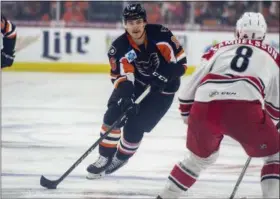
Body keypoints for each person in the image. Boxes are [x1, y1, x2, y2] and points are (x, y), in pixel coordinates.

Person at [157, 12, 279, 199]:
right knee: (274, 155)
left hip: (205, 105)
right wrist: (269, 125)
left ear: (238, 32)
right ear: (263, 35)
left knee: (197, 160)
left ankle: (165, 197)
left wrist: (188, 116)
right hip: (245, 109)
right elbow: (275, 108)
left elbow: (188, 89)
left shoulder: (218, 49)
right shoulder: (273, 57)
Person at [86, 3, 187, 179]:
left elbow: (181, 63)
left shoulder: (162, 35)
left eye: (138, 22)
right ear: (125, 24)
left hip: (164, 90)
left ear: (145, 22)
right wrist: (126, 97)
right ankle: (104, 156)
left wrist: (164, 77)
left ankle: (121, 157)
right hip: (137, 84)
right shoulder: (119, 48)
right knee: (114, 115)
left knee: (135, 127)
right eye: (130, 22)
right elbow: (121, 76)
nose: (135, 26)